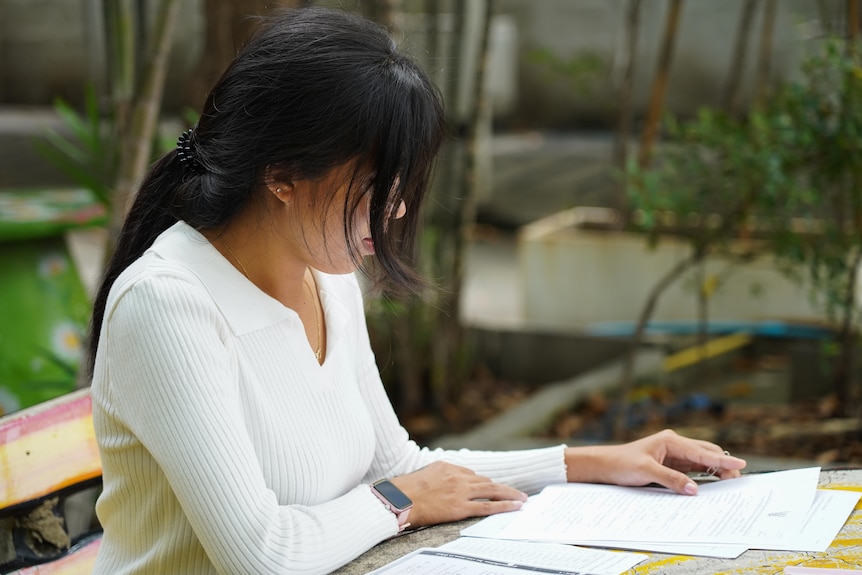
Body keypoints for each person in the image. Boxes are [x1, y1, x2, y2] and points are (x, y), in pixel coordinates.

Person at [85, 6, 746, 575]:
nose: (395, 213)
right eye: (376, 188)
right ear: (282, 176)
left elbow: (400, 463)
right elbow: (264, 554)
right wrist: (400, 501)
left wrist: (593, 461)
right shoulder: (168, 306)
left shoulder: (326, 276)